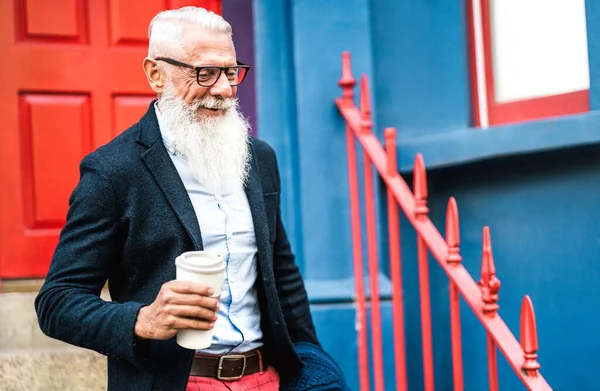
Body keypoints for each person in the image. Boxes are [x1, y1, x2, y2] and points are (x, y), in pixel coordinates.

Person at [34, 6, 349, 391]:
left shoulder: (259, 157)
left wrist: (311, 363)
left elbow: (280, 271)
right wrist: (143, 319)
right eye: (204, 73)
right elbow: (56, 302)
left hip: (267, 378)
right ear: (155, 74)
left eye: (231, 72)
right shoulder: (112, 172)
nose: (222, 89)